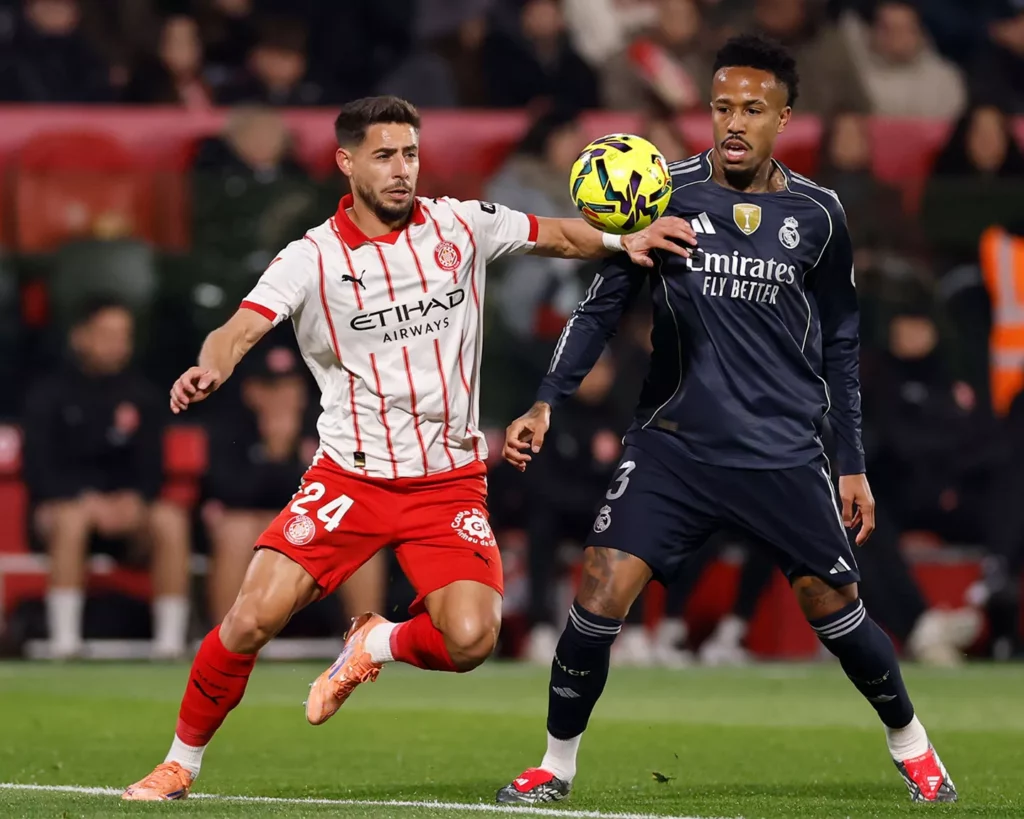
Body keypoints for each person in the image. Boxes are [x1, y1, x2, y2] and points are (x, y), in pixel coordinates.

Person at [121, 94, 697, 800]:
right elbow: (240, 324)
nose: (403, 170)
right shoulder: (312, 257)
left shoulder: (461, 223)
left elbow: (556, 233)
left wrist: (621, 242)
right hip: (349, 478)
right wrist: (214, 364)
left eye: (411, 154)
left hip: (447, 483)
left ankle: (375, 641)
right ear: (347, 162)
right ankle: (181, 761)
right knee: (250, 619)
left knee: (471, 639)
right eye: (386, 155)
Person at [496, 35, 955, 806]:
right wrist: (547, 399)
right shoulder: (658, 195)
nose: (733, 122)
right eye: (720, 107)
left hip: (781, 449)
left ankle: (913, 744)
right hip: (674, 445)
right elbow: (600, 310)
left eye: (751, 108)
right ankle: (555, 763)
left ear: (783, 117)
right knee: (602, 586)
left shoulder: (818, 214)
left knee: (833, 607)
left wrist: (851, 461)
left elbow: (843, 342)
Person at [22, 298, 191, 660]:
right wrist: (84, 500)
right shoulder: (47, 394)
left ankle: (170, 643)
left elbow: (151, 469)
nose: (117, 343)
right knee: (70, 519)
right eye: (107, 334)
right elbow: (38, 471)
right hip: (62, 511)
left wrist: (135, 499)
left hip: (127, 515)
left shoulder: (143, 396)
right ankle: (65, 643)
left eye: (123, 335)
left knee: (170, 520)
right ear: (81, 337)